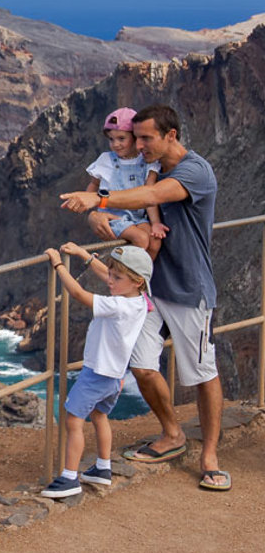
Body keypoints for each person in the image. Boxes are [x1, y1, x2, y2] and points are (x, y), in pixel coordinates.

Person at [60, 103, 228, 492]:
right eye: (136, 137)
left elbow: (150, 194)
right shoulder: (142, 164)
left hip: (188, 288)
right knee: (140, 365)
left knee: (203, 373)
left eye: (146, 138)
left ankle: (210, 457)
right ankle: (173, 434)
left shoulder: (194, 171)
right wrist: (94, 214)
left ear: (171, 135)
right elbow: (118, 196)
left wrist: (98, 202)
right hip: (146, 290)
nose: (139, 145)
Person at [40, 243, 152, 499]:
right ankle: (103, 468)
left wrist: (58, 264)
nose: (110, 281)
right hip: (115, 374)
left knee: (73, 420)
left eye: (117, 277)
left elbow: (79, 294)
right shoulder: (138, 300)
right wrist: (83, 256)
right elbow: (108, 276)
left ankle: (69, 477)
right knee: (100, 416)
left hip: (97, 373)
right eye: (111, 274)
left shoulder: (119, 306)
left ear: (136, 281)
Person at [82, 107, 164, 253]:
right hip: (114, 215)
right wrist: (88, 206)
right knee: (141, 239)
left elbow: (150, 196)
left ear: (135, 137)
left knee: (155, 241)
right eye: (111, 139)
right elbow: (94, 184)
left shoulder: (146, 161)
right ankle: (130, 273)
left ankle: (142, 275)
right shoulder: (106, 160)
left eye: (121, 139)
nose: (115, 144)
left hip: (138, 217)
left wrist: (156, 223)